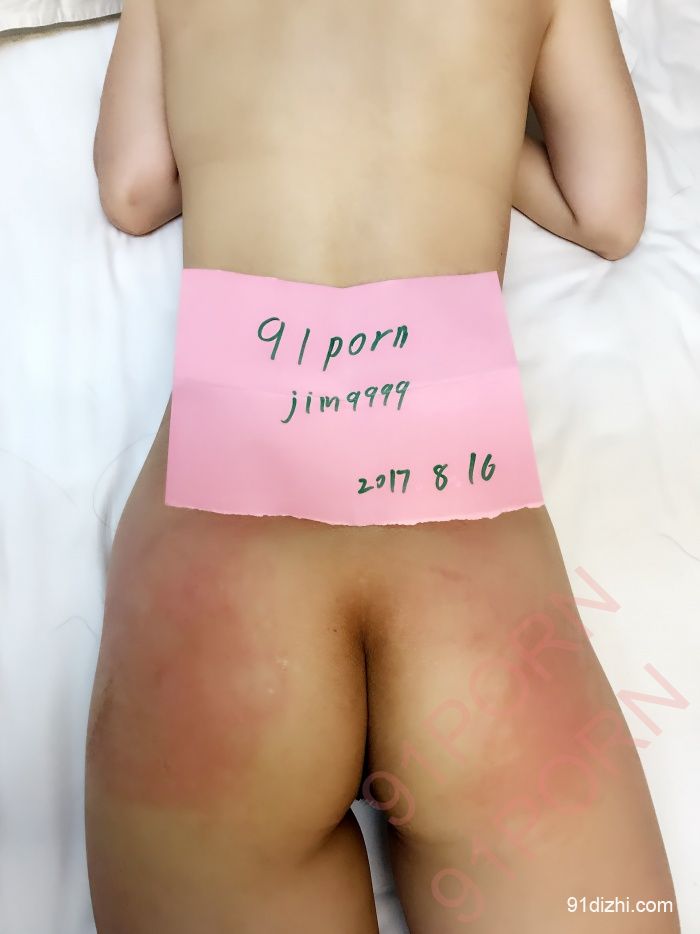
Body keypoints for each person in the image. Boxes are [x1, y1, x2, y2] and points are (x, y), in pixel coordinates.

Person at [84, 0, 680, 931]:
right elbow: (606, 213)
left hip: (223, 555)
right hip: (462, 546)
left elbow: (132, 190)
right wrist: (485, 137)